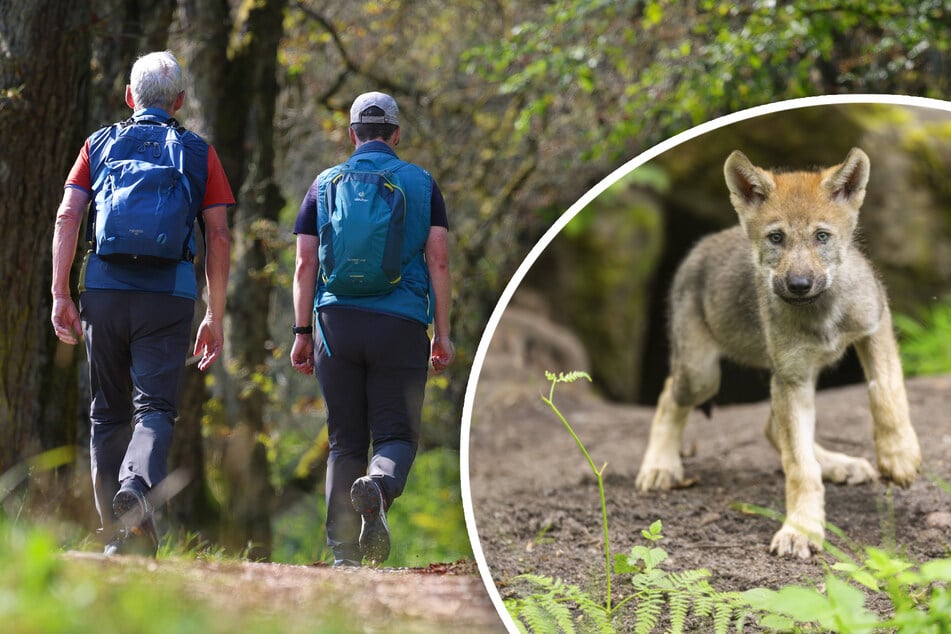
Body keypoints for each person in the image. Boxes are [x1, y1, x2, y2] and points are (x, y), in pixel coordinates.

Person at [51, 51, 234, 556]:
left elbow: (69, 216)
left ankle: (117, 536)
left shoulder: (99, 144)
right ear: (179, 101)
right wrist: (214, 313)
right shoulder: (199, 153)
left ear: (130, 97)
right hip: (168, 296)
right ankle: (135, 491)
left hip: (103, 292)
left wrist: (60, 292)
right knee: (154, 408)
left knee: (106, 412)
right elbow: (217, 236)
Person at [290, 91, 453, 566]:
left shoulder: (324, 184)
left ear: (352, 134)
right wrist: (442, 334)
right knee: (396, 436)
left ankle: (343, 554)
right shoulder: (421, 183)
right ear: (396, 134)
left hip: (336, 324)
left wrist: (302, 331)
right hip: (400, 324)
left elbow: (304, 264)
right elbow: (438, 260)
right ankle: (379, 487)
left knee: (344, 440)